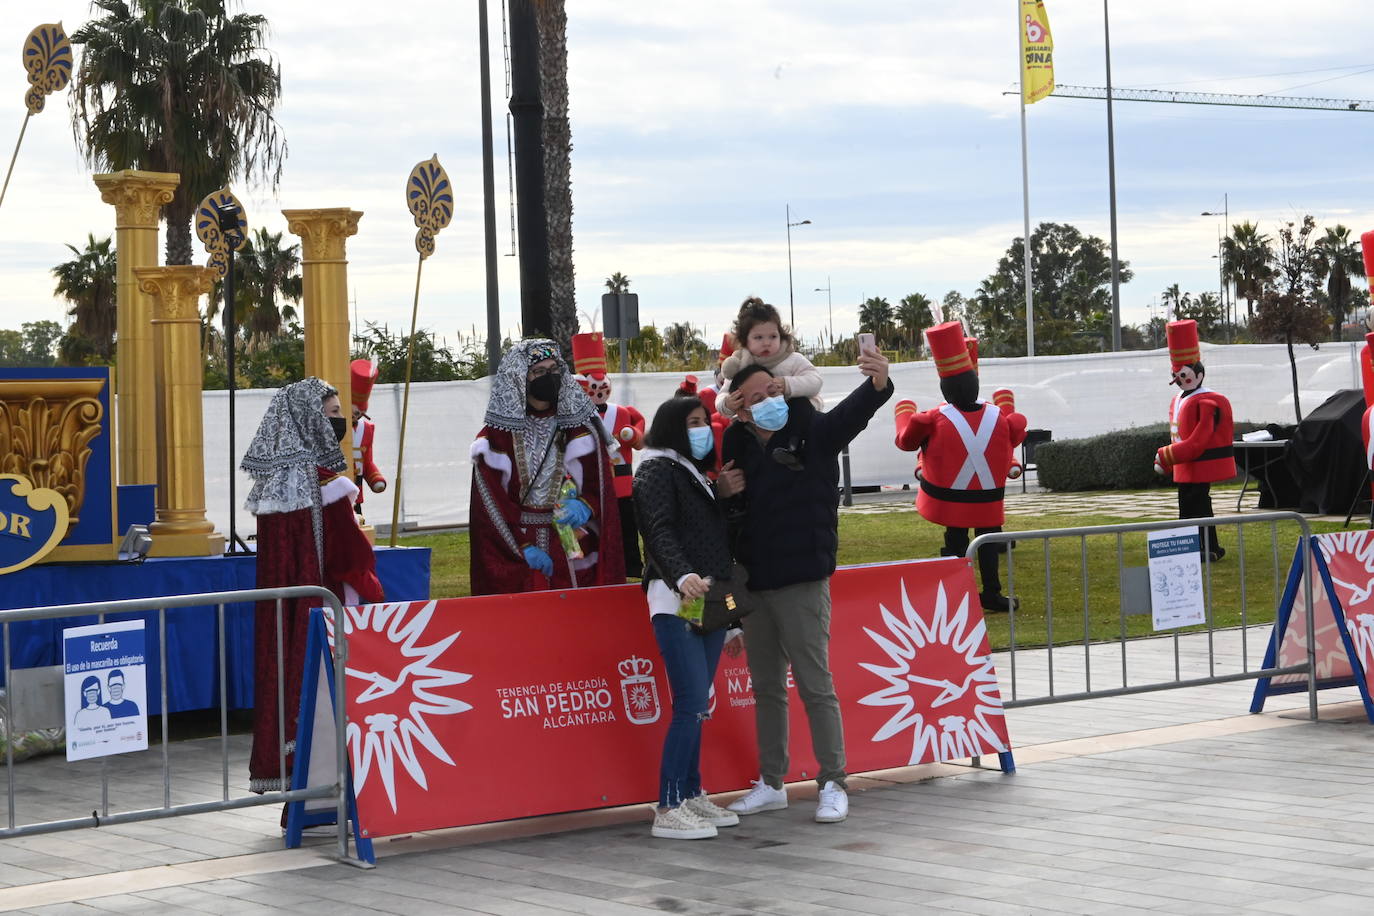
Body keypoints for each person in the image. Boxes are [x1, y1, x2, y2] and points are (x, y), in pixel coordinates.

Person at [721, 343, 894, 824]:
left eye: (768, 390)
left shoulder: (809, 430)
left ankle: (833, 781)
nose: (763, 400)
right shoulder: (734, 444)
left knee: (816, 685)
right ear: (736, 406)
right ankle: (771, 782)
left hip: (802, 580)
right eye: (749, 397)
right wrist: (722, 491)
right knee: (767, 688)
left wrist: (878, 384)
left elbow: (849, 417)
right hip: (754, 584)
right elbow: (726, 520)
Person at [241, 377, 385, 793]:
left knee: (295, 690)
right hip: (329, 608)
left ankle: (301, 784)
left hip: (289, 615)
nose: (342, 422)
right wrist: (372, 590)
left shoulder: (275, 483)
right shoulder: (326, 482)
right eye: (334, 414)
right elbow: (350, 558)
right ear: (310, 419)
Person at [633, 394, 740, 840]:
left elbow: (718, 547)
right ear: (674, 427)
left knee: (699, 707)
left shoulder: (694, 474)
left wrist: (733, 617)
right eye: (693, 422)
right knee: (691, 704)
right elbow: (657, 530)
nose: (702, 429)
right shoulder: (656, 469)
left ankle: (691, 791)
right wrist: (681, 575)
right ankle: (668, 805)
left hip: (711, 601)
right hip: (676, 600)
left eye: (704, 421)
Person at [469, 339, 625, 595]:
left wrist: (585, 505)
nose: (549, 377)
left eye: (554, 370)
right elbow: (490, 502)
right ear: (520, 378)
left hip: (572, 540)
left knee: (573, 620)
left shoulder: (578, 428)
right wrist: (522, 546)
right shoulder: (497, 436)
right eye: (539, 372)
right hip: (520, 542)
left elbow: (600, 485)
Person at [895, 322, 1025, 612]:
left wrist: (903, 414)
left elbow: (905, 441)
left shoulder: (932, 418)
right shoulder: (999, 416)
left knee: (955, 541)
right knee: (988, 542)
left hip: (947, 499)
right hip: (989, 500)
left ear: (945, 388)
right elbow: (1016, 433)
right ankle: (991, 592)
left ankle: (953, 594)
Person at [1154, 319, 1235, 561]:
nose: (1180, 379)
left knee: (1198, 504)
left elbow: (1198, 441)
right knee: (1188, 504)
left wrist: (1166, 455)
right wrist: (1171, 458)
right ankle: (1193, 546)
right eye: (1176, 375)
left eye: (1184, 374)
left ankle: (1207, 547)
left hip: (1198, 462)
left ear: (1199, 373)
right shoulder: (1180, 399)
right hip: (1185, 464)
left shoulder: (1207, 402)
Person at [573, 332, 646, 578]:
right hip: (594, 484)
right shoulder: (577, 417)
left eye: (603, 382)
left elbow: (640, 439)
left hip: (623, 483)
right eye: (593, 384)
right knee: (597, 530)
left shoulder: (624, 412)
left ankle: (633, 567)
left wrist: (632, 433)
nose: (600, 388)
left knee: (628, 527)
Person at [717, 297, 824, 419]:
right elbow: (722, 394)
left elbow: (815, 381)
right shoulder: (740, 365)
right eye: (758, 337)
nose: (767, 343)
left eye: (773, 336)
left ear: (781, 335)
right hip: (758, 424)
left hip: (795, 419)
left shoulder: (792, 359)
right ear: (744, 340)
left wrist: (787, 384)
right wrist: (727, 404)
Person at [349, 358, 387, 511]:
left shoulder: (367, 429)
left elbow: (367, 462)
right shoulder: (332, 427)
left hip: (356, 488)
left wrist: (376, 479)